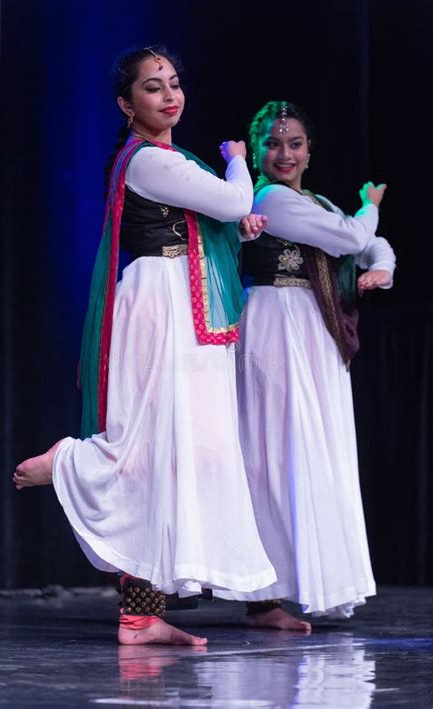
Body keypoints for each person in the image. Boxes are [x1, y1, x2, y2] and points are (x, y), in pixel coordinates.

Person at [12, 47, 276, 645]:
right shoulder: (148, 160)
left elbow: (219, 217)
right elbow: (235, 198)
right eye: (154, 88)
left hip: (184, 299)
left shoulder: (165, 160)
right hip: (162, 301)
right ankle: (72, 462)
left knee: (182, 452)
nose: (170, 95)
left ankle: (141, 615)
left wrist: (235, 224)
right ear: (126, 105)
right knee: (147, 441)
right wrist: (238, 163)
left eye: (175, 84)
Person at [218, 100, 395, 630]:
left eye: (295, 143)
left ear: (310, 150)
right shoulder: (271, 197)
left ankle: (288, 588)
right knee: (273, 450)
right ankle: (263, 595)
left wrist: (381, 269)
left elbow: (370, 247)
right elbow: (351, 237)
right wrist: (371, 205)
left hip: (313, 329)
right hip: (275, 322)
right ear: (258, 154)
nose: (284, 153)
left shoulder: (310, 201)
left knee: (311, 452)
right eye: (272, 144)